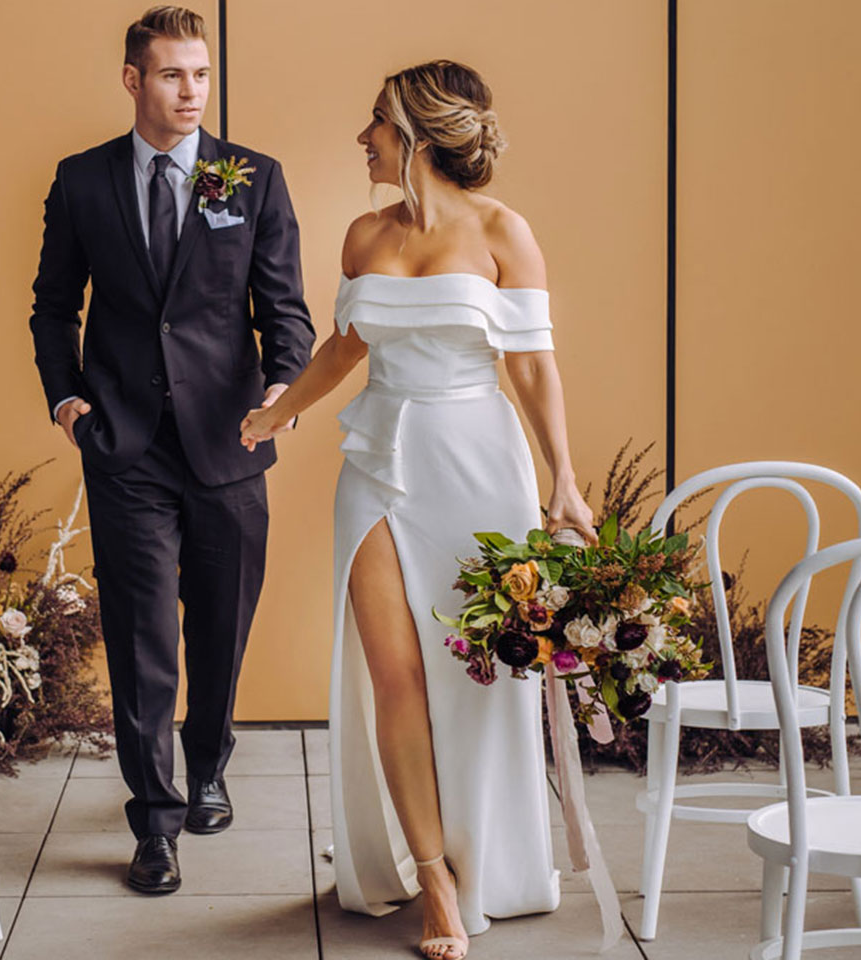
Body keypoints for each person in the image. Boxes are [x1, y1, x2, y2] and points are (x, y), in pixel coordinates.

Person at [240, 60, 596, 960]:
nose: (363, 138)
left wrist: (563, 478)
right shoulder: (364, 234)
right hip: (376, 467)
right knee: (392, 673)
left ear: (417, 134)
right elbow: (348, 344)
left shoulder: (504, 232)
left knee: (477, 680)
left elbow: (532, 365)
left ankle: (490, 859)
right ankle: (433, 879)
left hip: (481, 467)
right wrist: (282, 409)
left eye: (376, 124)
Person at [28, 5, 315, 895]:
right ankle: (154, 824)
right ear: (131, 80)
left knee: (220, 631)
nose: (190, 92)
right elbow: (51, 305)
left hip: (232, 442)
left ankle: (208, 764)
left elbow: (286, 311)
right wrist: (70, 402)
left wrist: (284, 393)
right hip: (126, 449)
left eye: (200, 75)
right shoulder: (82, 181)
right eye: (170, 75)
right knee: (143, 637)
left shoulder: (250, 177)